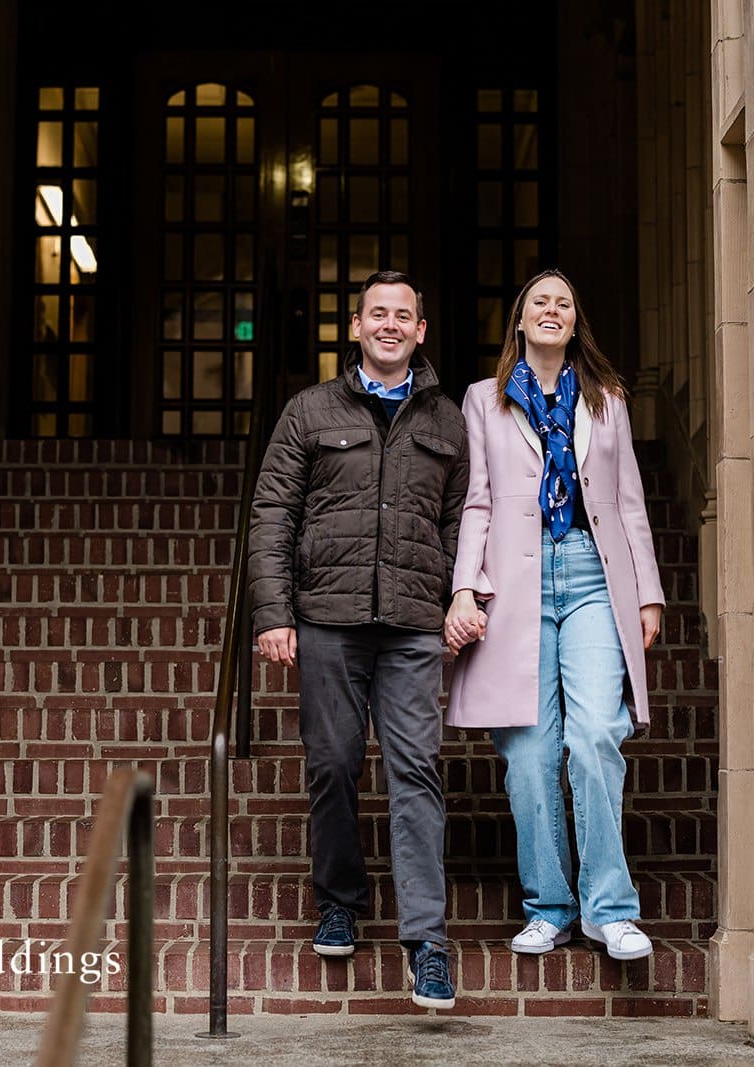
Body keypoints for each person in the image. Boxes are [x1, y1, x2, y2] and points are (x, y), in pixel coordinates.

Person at [248, 270, 469, 1009]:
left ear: (421, 329)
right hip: (327, 619)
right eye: (378, 313)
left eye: (403, 314)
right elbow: (272, 514)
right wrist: (273, 613)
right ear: (354, 325)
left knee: (415, 771)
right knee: (334, 764)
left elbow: (462, 519)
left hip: (411, 622)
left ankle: (427, 943)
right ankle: (339, 898)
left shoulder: (447, 419)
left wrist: (457, 595)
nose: (390, 324)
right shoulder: (309, 410)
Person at [443, 268, 664, 962]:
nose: (551, 309)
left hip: (594, 575)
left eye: (563, 302)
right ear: (519, 319)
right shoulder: (484, 400)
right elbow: (477, 498)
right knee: (530, 755)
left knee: (597, 732)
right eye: (540, 300)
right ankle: (550, 905)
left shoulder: (607, 399)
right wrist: (463, 588)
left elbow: (628, 499)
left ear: (574, 322)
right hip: (515, 584)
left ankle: (611, 909)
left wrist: (649, 591)